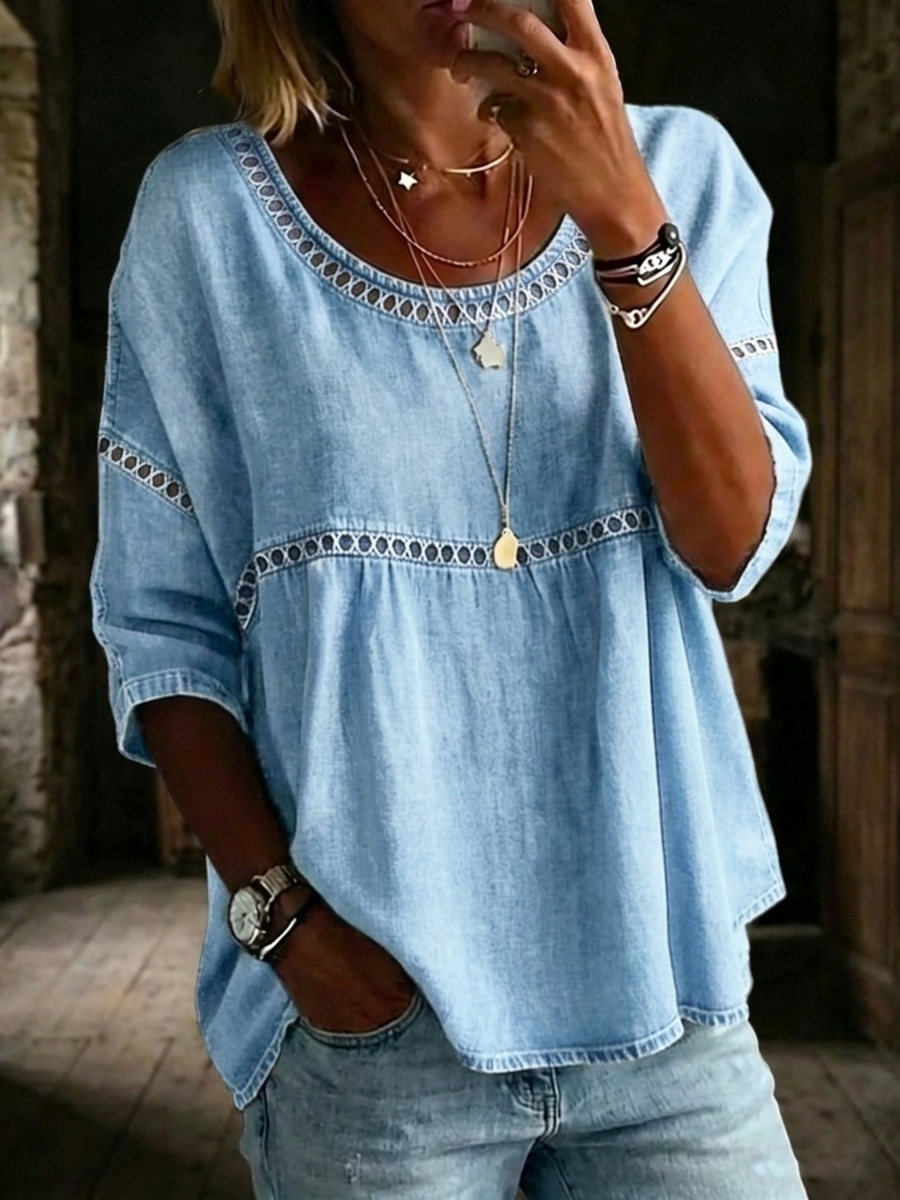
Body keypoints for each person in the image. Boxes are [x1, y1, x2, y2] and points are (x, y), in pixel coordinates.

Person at [89, 0, 813, 1195]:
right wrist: (289, 928)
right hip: (375, 1034)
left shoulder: (683, 170)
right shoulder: (209, 218)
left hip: (668, 999)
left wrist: (625, 222)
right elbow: (161, 626)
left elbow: (732, 542)